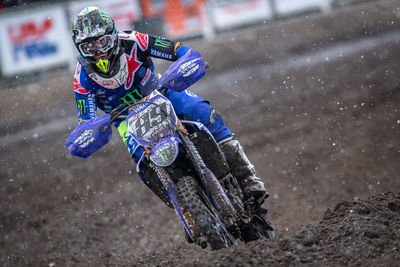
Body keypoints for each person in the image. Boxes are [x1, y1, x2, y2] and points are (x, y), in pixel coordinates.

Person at [71, 7, 267, 203]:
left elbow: (177, 50)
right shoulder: (82, 78)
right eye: (89, 47)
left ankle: (247, 177)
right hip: (124, 119)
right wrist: (89, 134)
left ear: (112, 35)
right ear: (80, 48)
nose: (98, 51)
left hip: (161, 93)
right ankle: (185, 206)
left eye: (102, 42)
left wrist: (188, 60)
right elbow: (86, 122)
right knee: (144, 164)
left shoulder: (133, 41)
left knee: (204, 114)